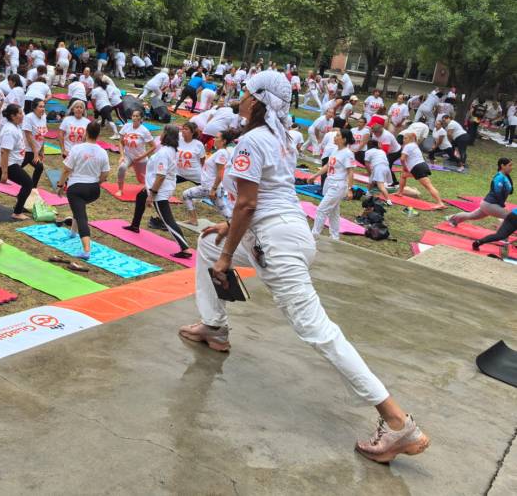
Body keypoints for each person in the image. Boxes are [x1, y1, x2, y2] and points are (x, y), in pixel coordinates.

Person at [180, 69, 430, 463]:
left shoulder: (253, 140)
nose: (240, 99)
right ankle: (214, 325)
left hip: (276, 243)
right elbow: (269, 194)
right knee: (207, 244)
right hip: (287, 232)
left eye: (246, 93)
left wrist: (229, 255)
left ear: (258, 101)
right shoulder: (281, 138)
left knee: (319, 331)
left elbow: (247, 203)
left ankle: (398, 423)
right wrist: (227, 234)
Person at [123, 124, 192, 259]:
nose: (160, 134)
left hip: (160, 190)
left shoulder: (164, 153)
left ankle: (185, 249)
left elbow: (161, 176)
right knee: (141, 196)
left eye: (162, 132)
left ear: (166, 135)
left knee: (167, 220)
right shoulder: (170, 150)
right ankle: (135, 225)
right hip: (160, 185)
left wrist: (152, 194)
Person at [56, 121, 110, 259]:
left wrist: (60, 186)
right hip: (93, 190)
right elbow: (105, 174)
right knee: (78, 208)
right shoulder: (103, 152)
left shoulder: (77, 149)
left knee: (81, 216)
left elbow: (66, 170)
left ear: (86, 132)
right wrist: (97, 182)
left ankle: (86, 250)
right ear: (98, 134)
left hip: (77, 189)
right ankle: (73, 233)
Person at [309, 128, 355, 241]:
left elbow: (350, 172)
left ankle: (314, 235)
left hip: (338, 186)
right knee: (334, 212)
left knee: (321, 210)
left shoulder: (348, 153)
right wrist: (315, 175)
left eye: (338, 135)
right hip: (330, 183)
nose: (335, 137)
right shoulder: (335, 150)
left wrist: (350, 189)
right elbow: (328, 166)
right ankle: (335, 237)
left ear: (344, 139)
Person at [182, 130, 231, 226]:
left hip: (211, 188)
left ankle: (239, 227)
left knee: (226, 213)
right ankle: (193, 220)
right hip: (207, 187)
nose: (214, 139)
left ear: (224, 141)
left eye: (217, 137)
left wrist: (213, 189)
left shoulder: (222, 153)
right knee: (186, 194)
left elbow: (220, 173)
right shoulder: (220, 152)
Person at [448, 158, 512, 226]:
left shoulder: (505, 177)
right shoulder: (499, 177)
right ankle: (501, 233)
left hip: (489, 204)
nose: (511, 167)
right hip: (490, 204)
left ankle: (452, 219)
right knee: (510, 217)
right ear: (502, 166)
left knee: (472, 216)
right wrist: (502, 205)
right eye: (509, 165)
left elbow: (510, 191)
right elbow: (497, 192)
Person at [393, 129, 446, 209]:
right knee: (403, 175)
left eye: (405, 138)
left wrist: (405, 167)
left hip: (417, 168)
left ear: (410, 139)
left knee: (429, 186)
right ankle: (400, 192)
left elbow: (402, 159)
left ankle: (440, 203)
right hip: (421, 166)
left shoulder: (408, 146)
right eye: (403, 138)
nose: (403, 140)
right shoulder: (414, 145)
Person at [116, 108, 156, 196]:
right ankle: (120, 190)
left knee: (141, 179)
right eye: (133, 116)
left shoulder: (144, 131)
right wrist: (122, 155)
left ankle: (152, 190)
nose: (134, 118)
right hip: (128, 155)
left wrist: (141, 157)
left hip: (140, 158)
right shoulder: (126, 126)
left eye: (137, 116)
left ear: (141, 118)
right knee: (122, 168)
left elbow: (153, 146)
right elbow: (121, 142)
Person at [21, 98, 47, 189]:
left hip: (35, 150)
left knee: (39, 167)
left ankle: (33, 187)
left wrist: (42, 151)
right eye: (40, 107)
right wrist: (36, 153)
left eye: (44, 106)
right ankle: (1, 174)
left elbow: (43, 134)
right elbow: (28, 135)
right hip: (26, 150)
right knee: (14, 168)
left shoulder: (44, 117)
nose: (43, 109)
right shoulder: (29, 117)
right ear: (34, 108)